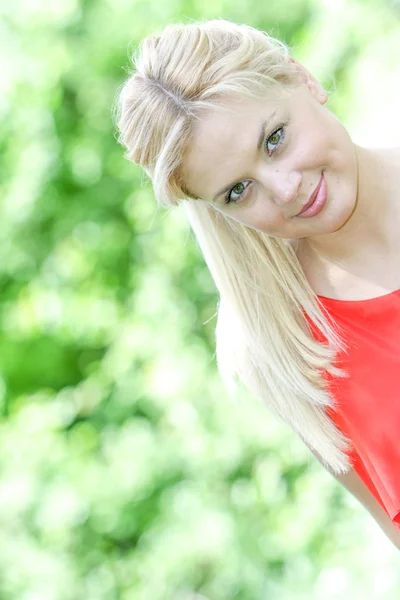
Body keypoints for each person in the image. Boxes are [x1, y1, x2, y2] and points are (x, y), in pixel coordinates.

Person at [113, 19, 400, 549]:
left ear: (302, 77)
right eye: (238, 191)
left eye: (275, 139)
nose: (286, 189)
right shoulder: (288, 349)